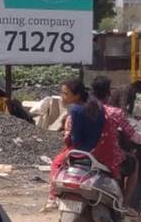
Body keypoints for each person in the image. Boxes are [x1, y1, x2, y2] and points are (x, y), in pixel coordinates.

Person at [44, 78, 105, 209]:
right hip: (98, 148)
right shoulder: (98, 106)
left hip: (81, 150)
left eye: (66, 93)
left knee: (56, 163)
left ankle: (53, 197)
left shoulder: (76, 110)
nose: (62, 96)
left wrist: (68, 139)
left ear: (77, 95)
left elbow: (76, 138)